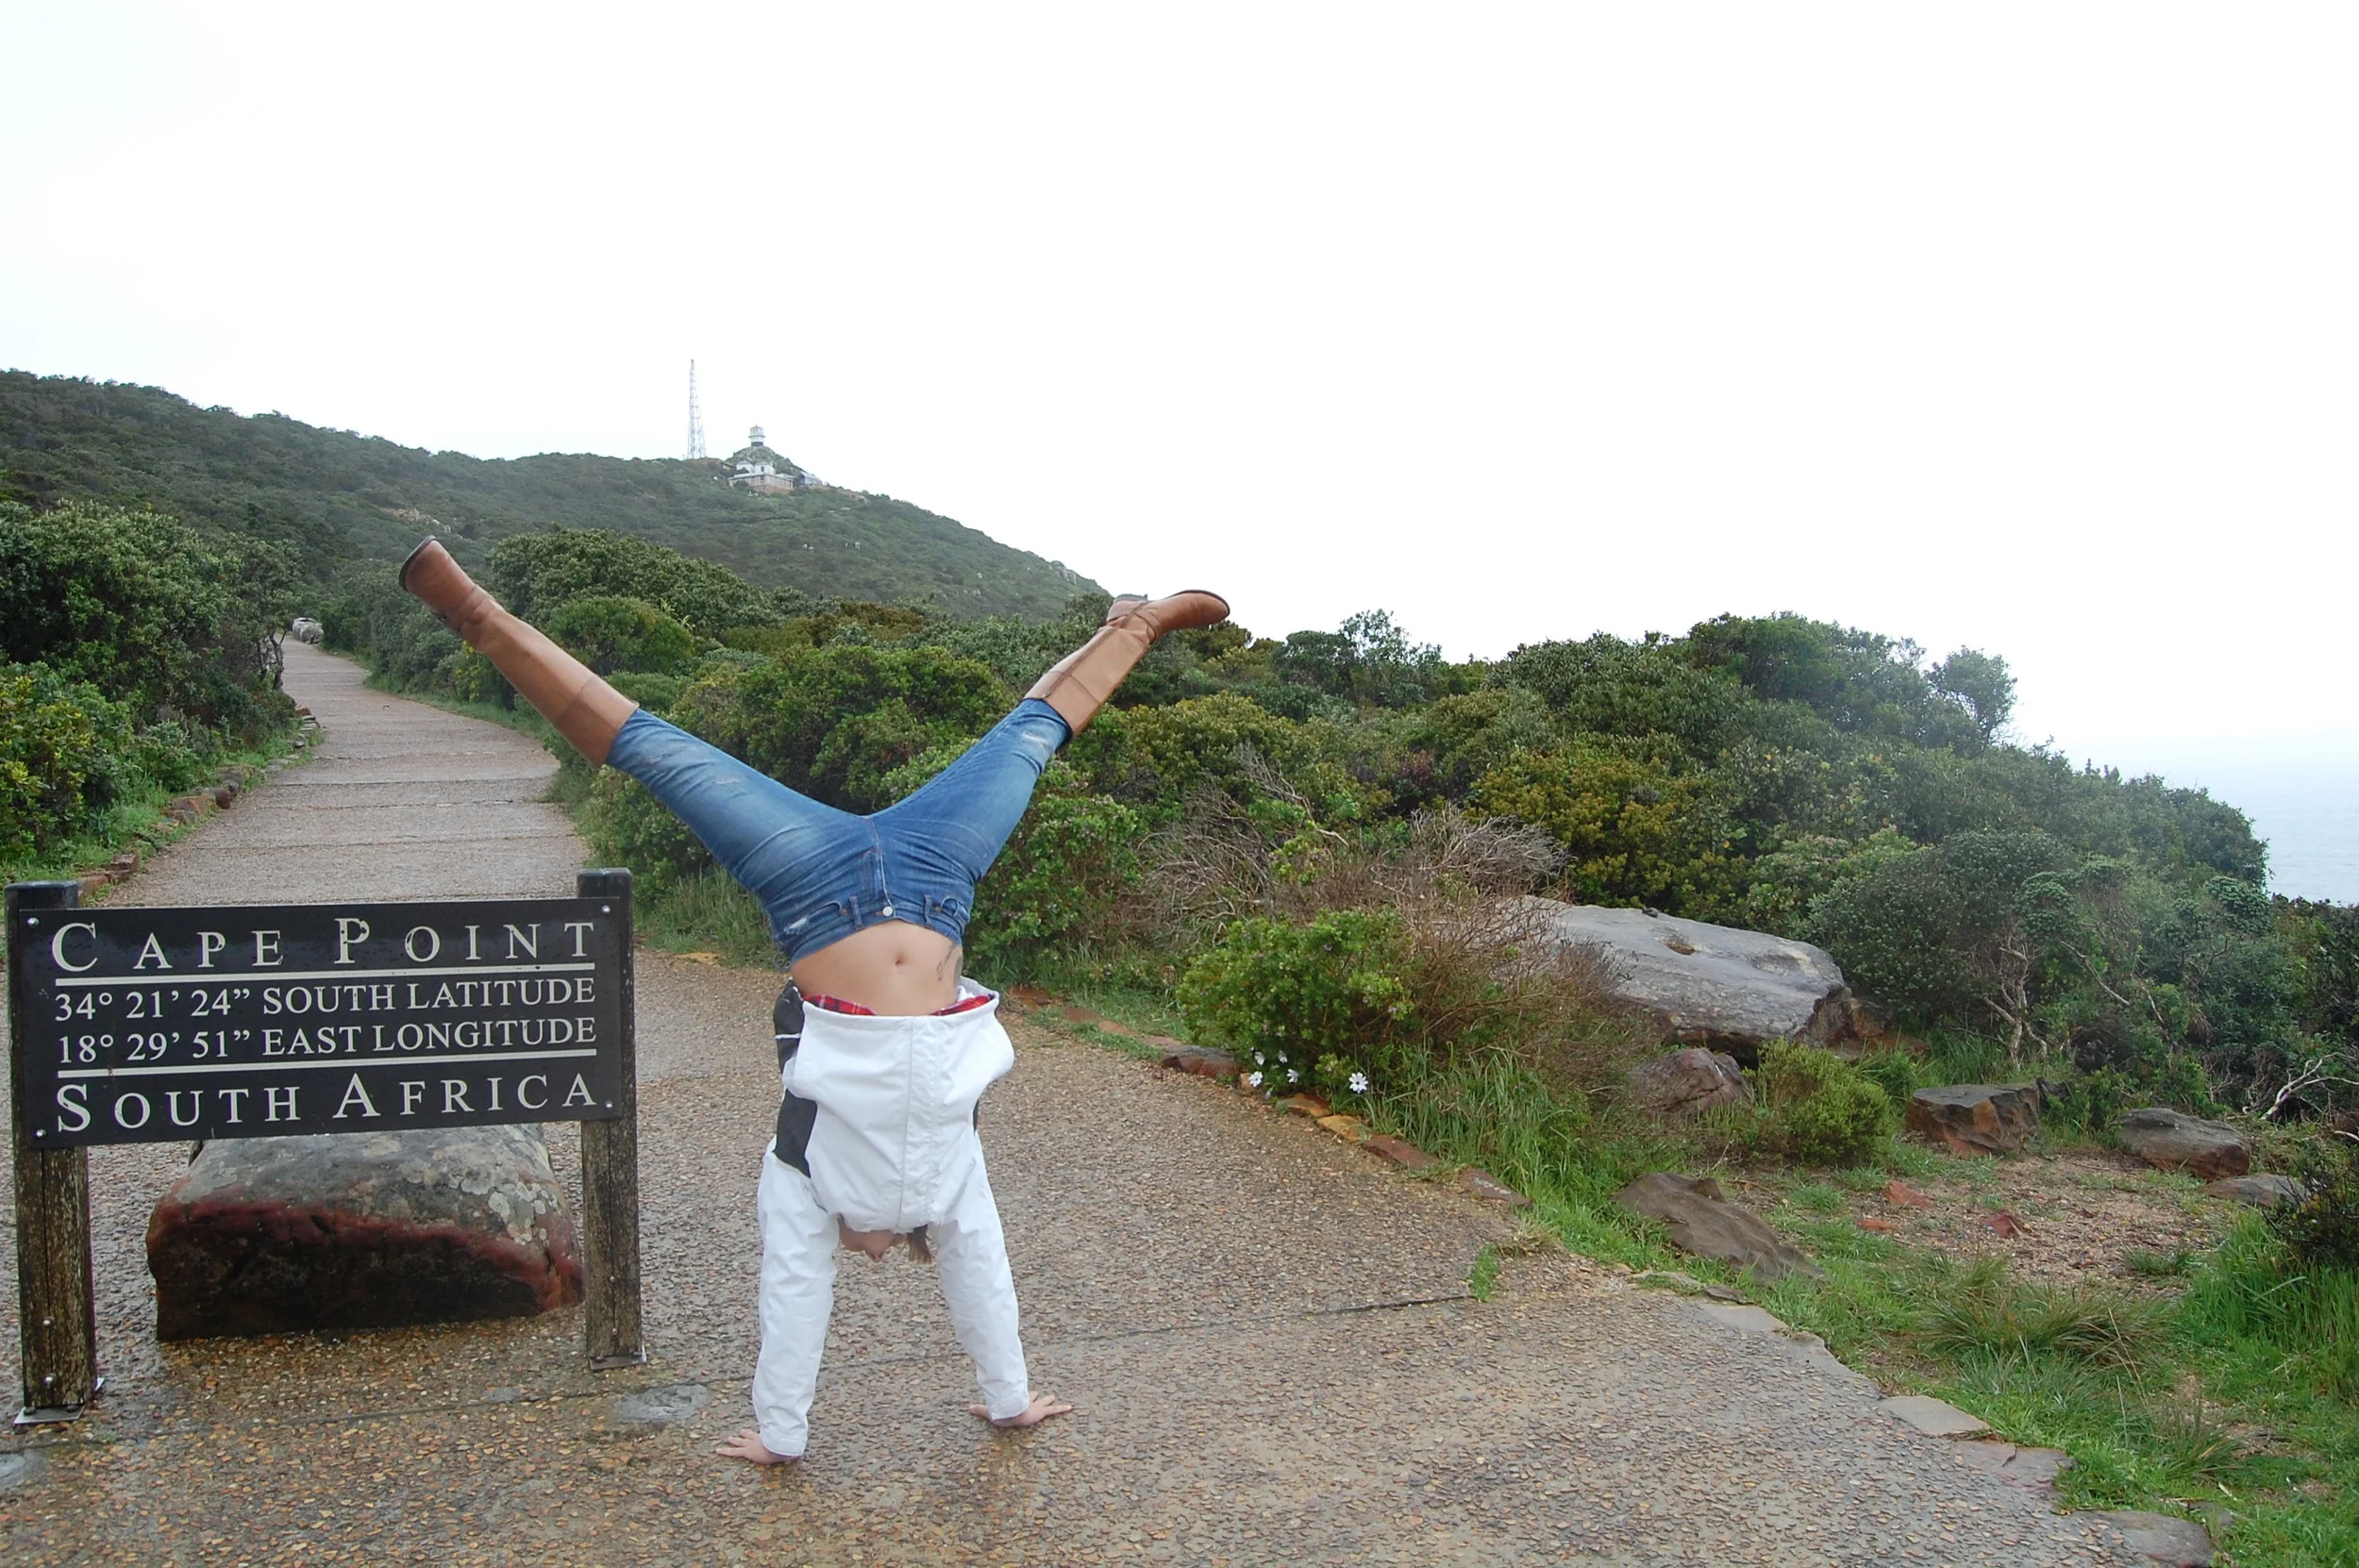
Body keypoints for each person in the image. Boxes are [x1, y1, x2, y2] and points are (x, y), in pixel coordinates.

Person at [398, 539, 1228, 1463]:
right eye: (883, 1253)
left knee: (655, 751)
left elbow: (793, 1292)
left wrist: (779, 1436)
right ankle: (1134, 626)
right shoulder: (953, 1186)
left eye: (858, 1253)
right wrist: (1011, 1401)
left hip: (810, 887)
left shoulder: (803, 1179)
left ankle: (476, 619)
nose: (864, 1255)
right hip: (936, 873)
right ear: (908, 1239)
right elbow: (983, 1281)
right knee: (1029, 738)